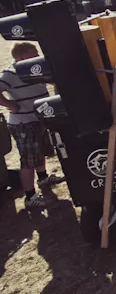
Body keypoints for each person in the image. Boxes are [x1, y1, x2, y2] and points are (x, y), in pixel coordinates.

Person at [0, 42, 65, 209]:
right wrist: (10, 104)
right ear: (21, 56)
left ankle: (43, 178)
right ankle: (30, 197)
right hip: (23, 123)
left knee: (40, 152)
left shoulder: (35, 69)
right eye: (33, 53)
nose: (37, 56)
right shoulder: (10, 73)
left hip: (40, 118)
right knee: (28, 160)